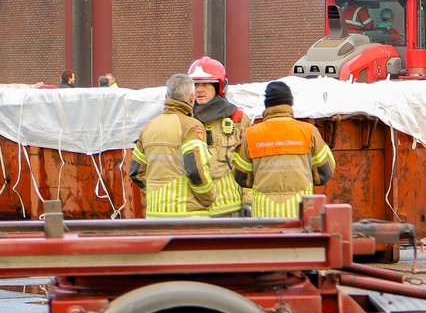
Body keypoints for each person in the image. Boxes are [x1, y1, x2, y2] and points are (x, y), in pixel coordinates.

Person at [232, 80, 336, 218]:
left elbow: (241, 176)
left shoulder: (251, 135)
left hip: (264, 216)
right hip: (301, 215)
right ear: (290, 103)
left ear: (267, 104)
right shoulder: (309, 132)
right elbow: (326, 171)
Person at [129, 73, 215, 218]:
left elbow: (135, 172)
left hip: (155, 215)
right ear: (191, 97)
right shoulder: (191, 126)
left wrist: (156, 192)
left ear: (166, 97)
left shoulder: (149, 127)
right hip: (188, 215)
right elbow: (195, 170)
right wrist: (208, 199)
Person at [188, 56, 246, 217]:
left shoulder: (238, 119)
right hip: (195, 211)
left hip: (229, 208)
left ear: (219, 86)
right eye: (195, 84)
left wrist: (248, 202)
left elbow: (249, 165)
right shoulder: (183, 120)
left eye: (206, 84)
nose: (199, 89)